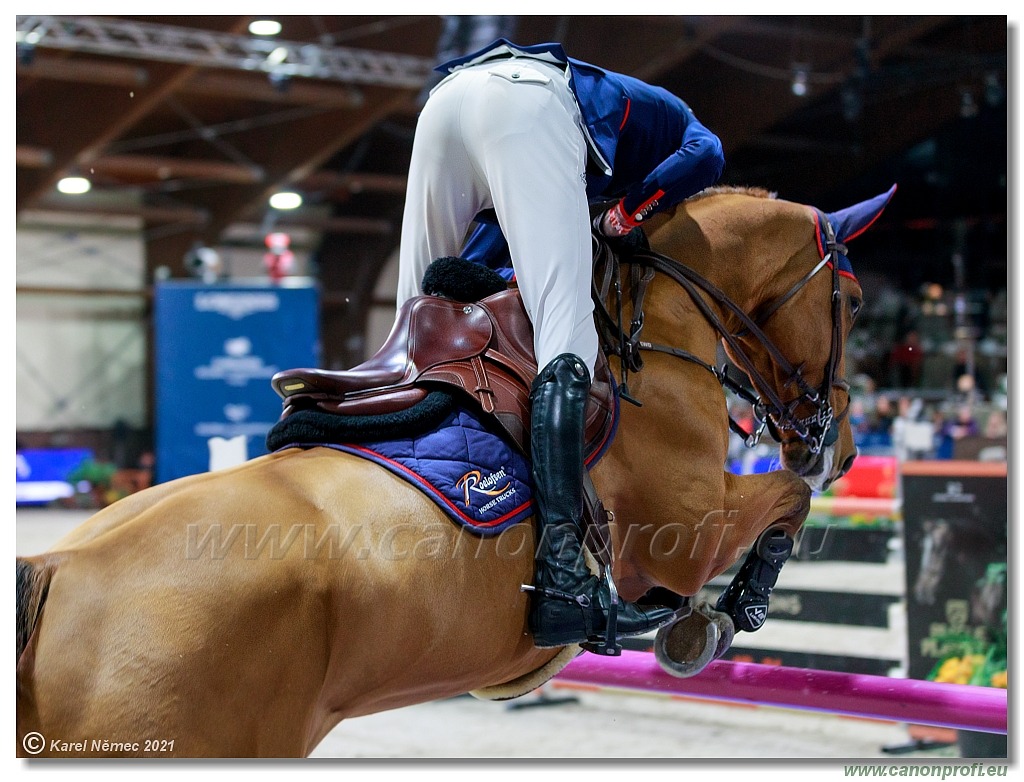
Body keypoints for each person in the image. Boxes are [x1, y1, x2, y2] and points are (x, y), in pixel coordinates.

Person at [396, 39, 725, 650]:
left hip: (444, 102)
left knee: (415, 313)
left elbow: (485, 256)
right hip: (533, 102)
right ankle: (565, 579)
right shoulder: (676, 119)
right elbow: (709, 153)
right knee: (564, 337)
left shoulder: (565, 157)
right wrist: (630, 211)